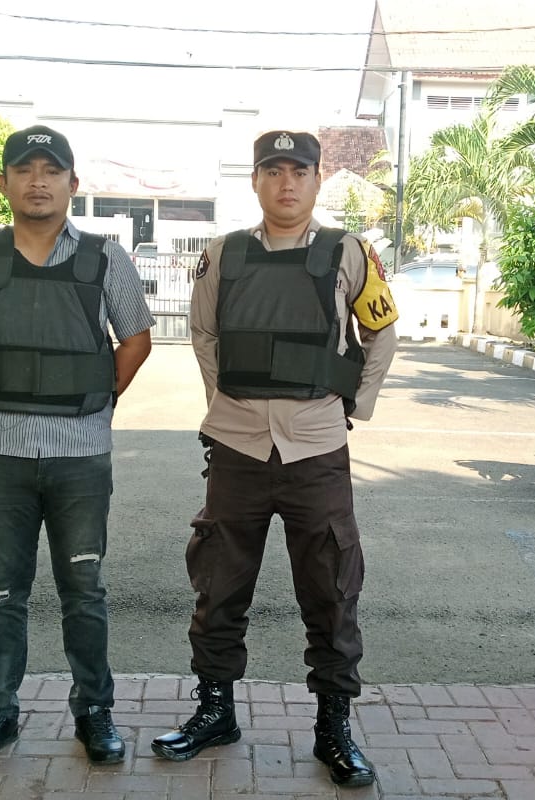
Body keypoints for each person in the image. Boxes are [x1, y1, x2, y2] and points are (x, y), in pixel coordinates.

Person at [150, 130, 399, 787]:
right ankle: (214, 711)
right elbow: (203, 333)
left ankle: (333, 728)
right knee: (219, 583)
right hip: (235, 449)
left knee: (331, 588)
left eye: (299, 171)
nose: (287, 183)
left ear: (317, 179)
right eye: (273, 171)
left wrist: (354, 404)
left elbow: (380, 330)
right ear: (256, 180)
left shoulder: (349, 252)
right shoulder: (222, 254)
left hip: (317, 449)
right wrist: (225, 400)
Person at [0, 125, 155, 770]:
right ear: (4, 182)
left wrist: (92, 398)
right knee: (2, 591)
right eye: (24, 170)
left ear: (72, 184)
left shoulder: (106, 258)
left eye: (51, 171)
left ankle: (95, 712)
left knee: (84, 588)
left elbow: (135, 340)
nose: (37, 181)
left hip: (80, 455)